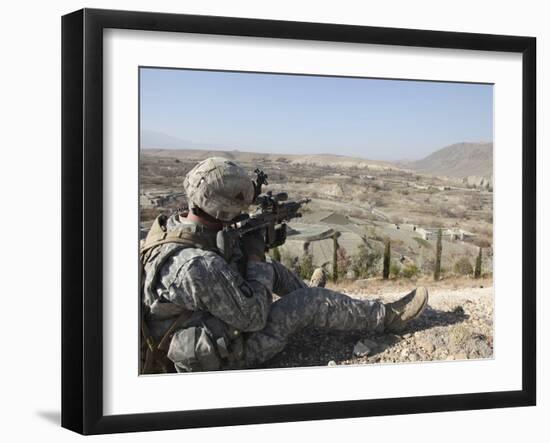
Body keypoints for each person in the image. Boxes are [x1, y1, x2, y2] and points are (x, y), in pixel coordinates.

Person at [140, 157, 428, 374]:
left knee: (275, 273)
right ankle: (388, 317)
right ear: (223, 209)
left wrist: (246, 249)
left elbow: (219, 268)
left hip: (204, 322)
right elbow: (252, 318)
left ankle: (321, 305)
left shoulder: (173, 228)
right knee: (307, 301)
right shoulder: (196, 267)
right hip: (224, 355)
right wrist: (254, 255)